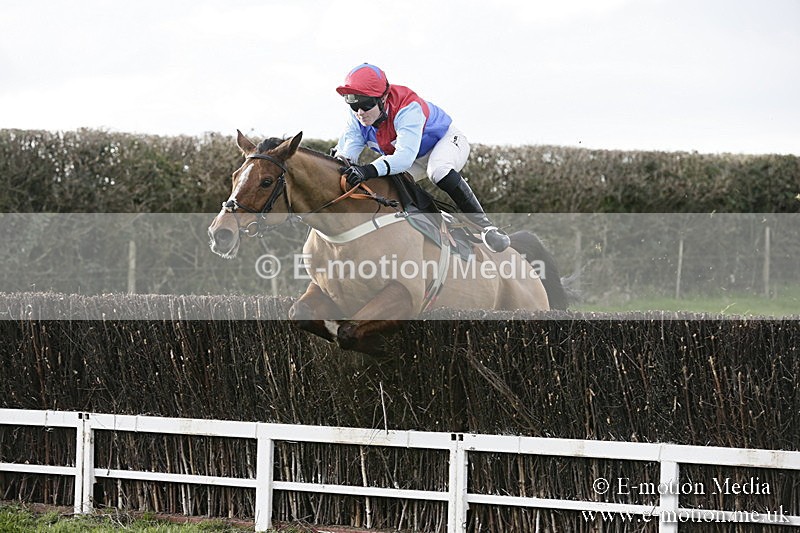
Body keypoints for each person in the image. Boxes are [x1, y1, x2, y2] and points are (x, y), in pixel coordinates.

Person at [331, 63, 510, 253]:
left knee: (438, 171)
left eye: (366, 105)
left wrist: (366, 170)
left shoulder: (408, 108)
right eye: (354, 105)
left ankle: (486, 226)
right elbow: (346, 157)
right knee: (384, 185)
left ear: (383, 98)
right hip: (412, 158)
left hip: (444, 143)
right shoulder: (356, 120)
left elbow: (403, 158)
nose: (360, 113)